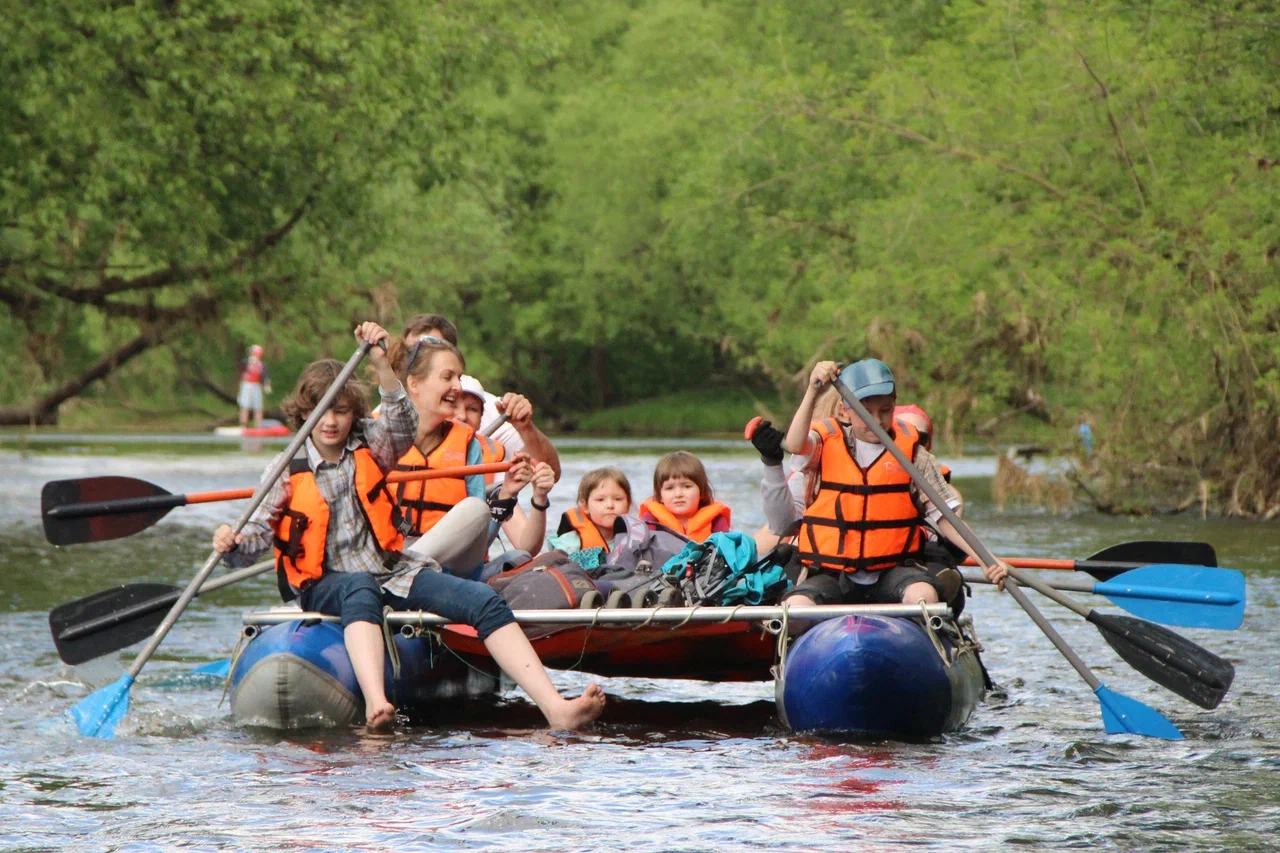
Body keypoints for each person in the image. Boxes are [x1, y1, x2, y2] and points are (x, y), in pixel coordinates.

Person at [212, 322, 605, 731]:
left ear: (354, 414)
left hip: (391, 570)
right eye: (321, 411)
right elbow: (257, 537)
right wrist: (233, 541)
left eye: (342, 410)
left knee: (480, 600)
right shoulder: (284, 467)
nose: (331, 421)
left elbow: (400, 419)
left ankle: (556, 709)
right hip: (326, 582)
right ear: (304, 412)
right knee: (357, 586)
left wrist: (382, 360)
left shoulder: (372, 446)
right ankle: (376, 706)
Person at [779, 358, 1010, 617]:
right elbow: (795, 445)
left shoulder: (914, 456)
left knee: (923, 595)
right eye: (867, 412)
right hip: (833, 573)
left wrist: (987, 560)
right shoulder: (824, 444)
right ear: (845, 411)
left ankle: (919, 637)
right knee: (794, 611)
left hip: (892, 571)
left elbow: (946, 517)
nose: (877, 421)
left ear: (894, 406)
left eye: (886, 411)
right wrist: (812, 390)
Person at [386, 334, 542, 577]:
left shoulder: (469, 446)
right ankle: (398, 577)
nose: (458, 386)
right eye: (448, 377)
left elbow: (476, 539)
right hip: (389, 556)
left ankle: (402, 578)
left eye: (458, 378)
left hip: (449, 568)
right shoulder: (379, 435)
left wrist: (507, 495)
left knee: (475, 510)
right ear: (414, 384)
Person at [401, 314, 562, 479]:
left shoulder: (495, 409)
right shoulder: (388, 418)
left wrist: (526, 428)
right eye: (409, 352)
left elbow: (550, 472)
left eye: (427, 349)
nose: (414, 360)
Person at [456, 372, 553, 557]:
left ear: (481, 419)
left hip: (469, 570)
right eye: (453, 405)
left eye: (472, 409)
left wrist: (539, 498)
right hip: (419, 564)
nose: (461, 416)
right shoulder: (414, 450)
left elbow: (526, 546)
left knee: (519, 558)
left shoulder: (492, 463)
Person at [637, 452, 731, 543]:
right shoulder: (650, 520)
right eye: (669, 488)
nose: (678, 494)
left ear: (702, 492)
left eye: (687, 486)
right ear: (660, 495)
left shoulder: (716, 520)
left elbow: (726, 550)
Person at [546, 467, 633, 555]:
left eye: (618, 499)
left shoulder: (637, 541)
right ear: (585, 506)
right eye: (600, 500)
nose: (610, 505)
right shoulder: (571, 542)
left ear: (628, 504)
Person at [237, 344, 272, 428]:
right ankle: (243, 425)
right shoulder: (246, 362)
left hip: (256, 385)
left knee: (258, 406)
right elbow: (241, 366)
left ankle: (258, 425)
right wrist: (249, 362)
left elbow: (265, 376)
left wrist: (267, 385)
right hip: (247, 385)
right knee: (245, 405)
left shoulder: (262, 365)